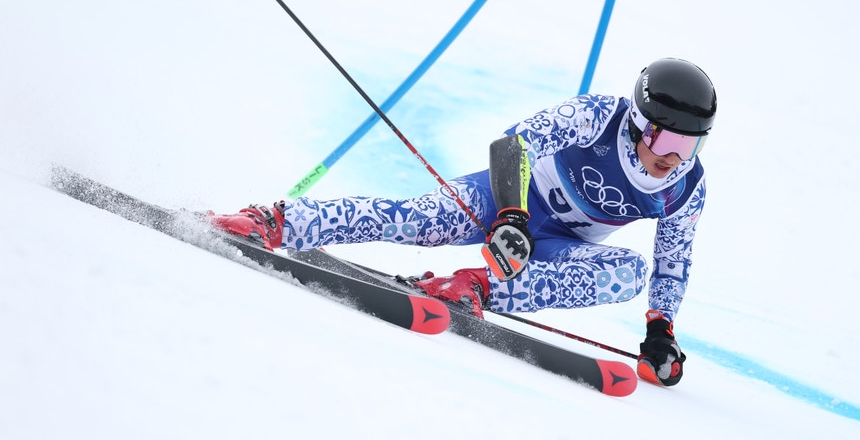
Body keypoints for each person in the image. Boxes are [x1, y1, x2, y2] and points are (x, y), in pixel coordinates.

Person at [210, 57, 717, 387]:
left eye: (690, 145)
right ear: (637, 122)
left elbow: (671, 264)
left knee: (627, 273)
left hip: (559, 245)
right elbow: (512, 146)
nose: (675, 157)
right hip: (504, 200)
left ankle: (470, 288)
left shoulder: (685, 188)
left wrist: (660, 330)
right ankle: (275, 221)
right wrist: (513, 214)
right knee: (418, 221)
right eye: (668, 142)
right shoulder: (597, 117)